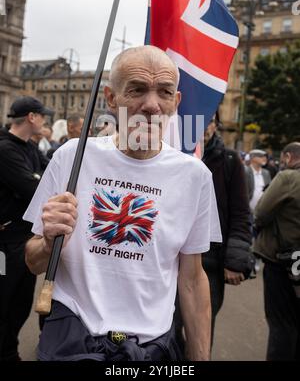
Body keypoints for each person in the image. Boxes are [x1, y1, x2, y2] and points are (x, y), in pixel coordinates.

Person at [24, 46, 222, 362]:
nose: (152, 105)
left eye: (165, 92)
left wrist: (200, 357)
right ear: (111, 98)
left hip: (152, 349)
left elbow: (192, 279)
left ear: (176, 102)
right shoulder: (72, 156)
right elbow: (33, 261)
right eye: (137, 90)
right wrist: (48, 241)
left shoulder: (194, 176)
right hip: (72, 340)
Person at [175, 113, 253, 349]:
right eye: (197, 120)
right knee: (168, 330)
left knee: (200, 330)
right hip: (173, 261)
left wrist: (235, 261)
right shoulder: (172, 158)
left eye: (208, 120)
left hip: (210, 263)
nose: (203, 127)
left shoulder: (229, 160)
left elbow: (240, 212)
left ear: (215, 126)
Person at [0, 96, 53, 362]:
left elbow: (51, 175)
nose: (45, 120)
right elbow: (33, 189)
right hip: (4, 243)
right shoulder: (5, 149)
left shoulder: (31, 149)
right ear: (31, 117)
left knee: (20, 306)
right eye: (42, 115)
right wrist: (38, 181)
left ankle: (10, 352)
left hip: (25, 240)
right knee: (3, 301)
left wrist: (39, 180)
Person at [254, 142, 300, 361]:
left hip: (283, 262)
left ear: (288, 157)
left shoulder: (288, 178)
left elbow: (261, 213)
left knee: (282, 324)